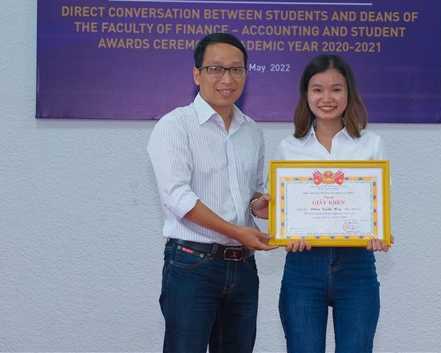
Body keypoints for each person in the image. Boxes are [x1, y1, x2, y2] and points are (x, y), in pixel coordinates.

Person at [147, 33, 277, 353]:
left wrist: (260, 206)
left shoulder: (252, 130)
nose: (227, 79)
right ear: (197, 74)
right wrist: (236, 231)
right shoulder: (175, 126)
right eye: (216, 68)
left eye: (236, 69)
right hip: (193, 265)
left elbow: (251, 193)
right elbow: (178, 197)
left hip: (243, 268)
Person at [275, 54, 394, 353]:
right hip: (303, 267)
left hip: (357, 267)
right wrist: (288, 232)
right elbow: (285, 210)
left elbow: (377, 205)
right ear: (306, 94)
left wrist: (377, 232)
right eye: (317, 89)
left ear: (349, 93)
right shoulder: (289, 148)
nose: (327, 98)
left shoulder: (371, 144)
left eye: (336, 89)